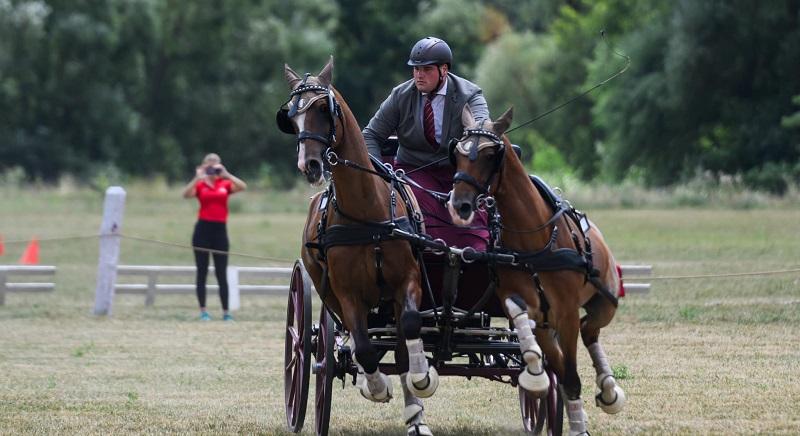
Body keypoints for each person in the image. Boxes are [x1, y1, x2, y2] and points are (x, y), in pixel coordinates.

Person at [363, 36, 490, 250]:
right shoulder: (400, 96)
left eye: (426, 69)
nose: (419, 75)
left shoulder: (470, 95)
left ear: (444, 70)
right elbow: (370, 135)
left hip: (458, 174)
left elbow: (481, 132)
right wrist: (380, 176)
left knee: (476, 237)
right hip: (414, 173)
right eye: (415, 69)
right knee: (426, 227)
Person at [182, 153, 247, 321]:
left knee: (221, 272)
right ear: (203, 166)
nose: (212, 169)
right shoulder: (200, 184)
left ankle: (226, 312)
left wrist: (226, 174)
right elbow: (186, 194)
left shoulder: (224, 184)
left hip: (220, 231)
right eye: (209, 165)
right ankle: (203, 311)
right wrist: (198, 178)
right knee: (202, 271)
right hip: (202, 230)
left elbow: (242, 186)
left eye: (215, 165)